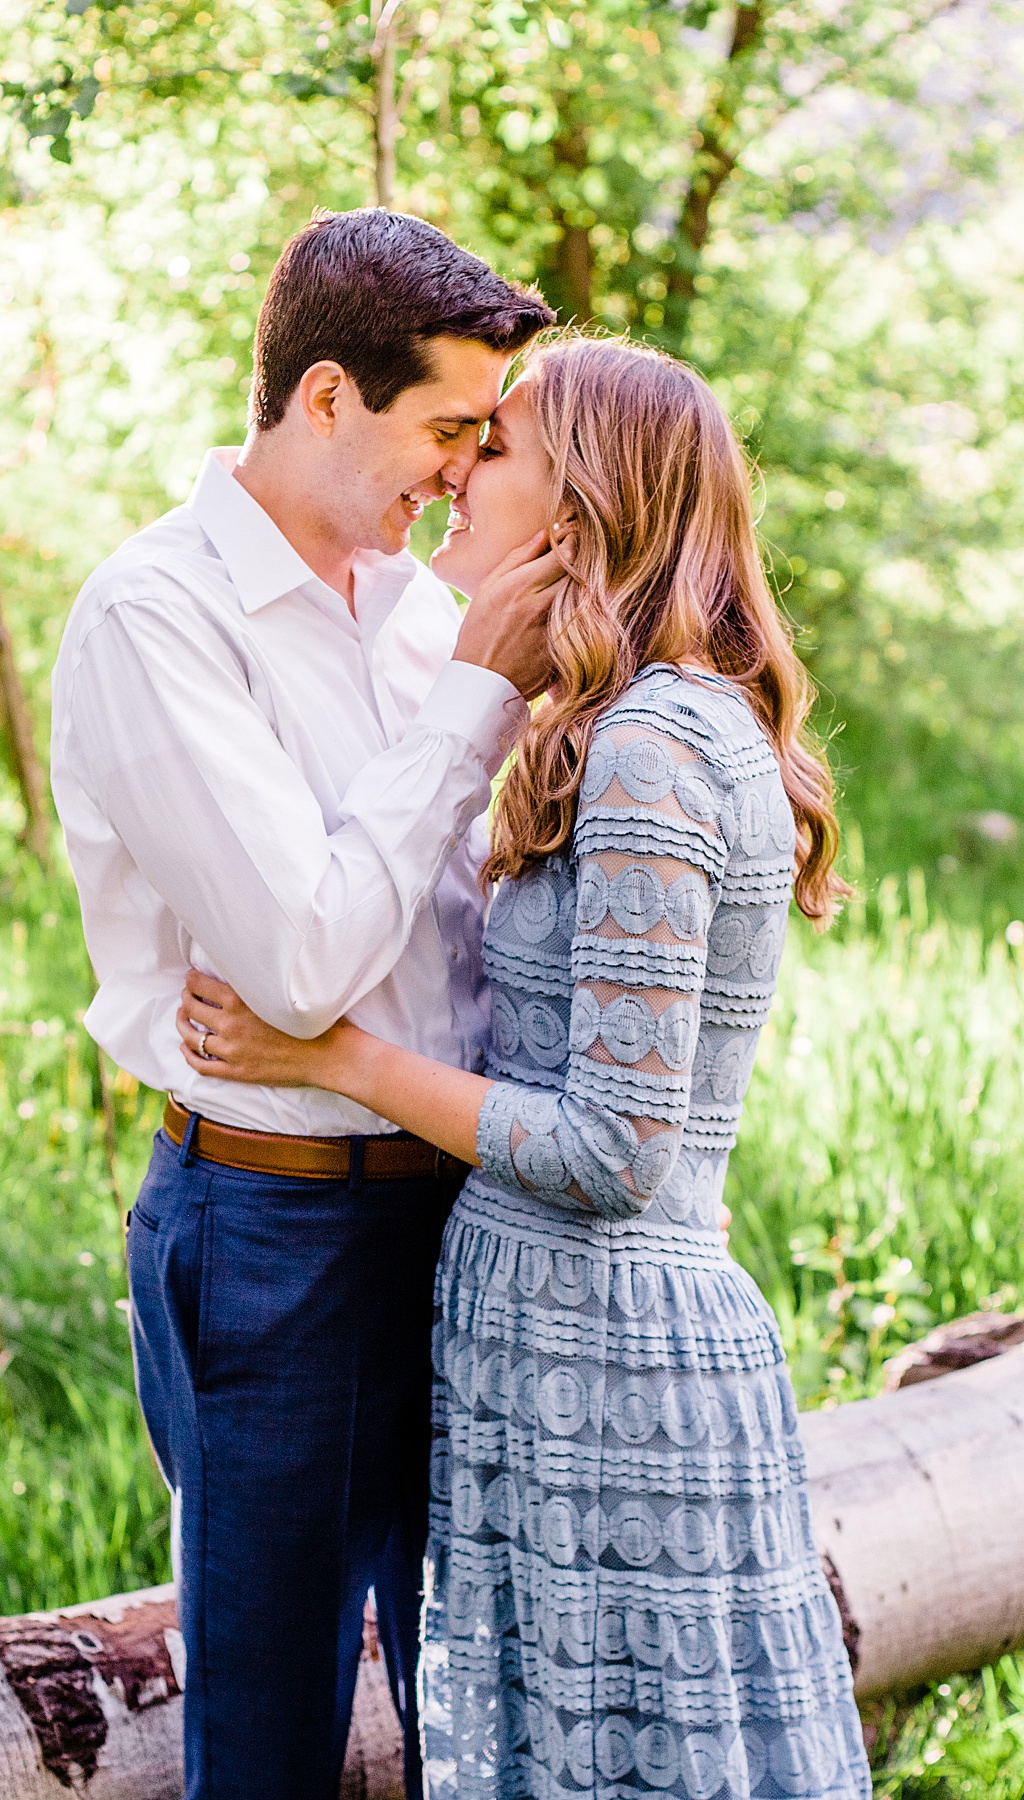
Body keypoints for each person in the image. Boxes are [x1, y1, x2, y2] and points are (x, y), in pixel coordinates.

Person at [177, 335, 872, 1800]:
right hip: (544, 1345)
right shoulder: (612, 724)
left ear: (578, 505)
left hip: (613, 1353)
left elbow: (619, 1152)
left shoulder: (655, 746)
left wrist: (336, 1054)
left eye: (493, 449)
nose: (455, 477)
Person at [49, 208, 557, 1800]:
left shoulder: (410, 604)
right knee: (268, 1741)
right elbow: (304, 957)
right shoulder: (159, 618)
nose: (466, 471)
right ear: (327, 398)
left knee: (470, 1710)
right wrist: (484, 688)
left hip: (472, 1227)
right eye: (447, 429)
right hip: (277, 1240)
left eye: (486, 437)